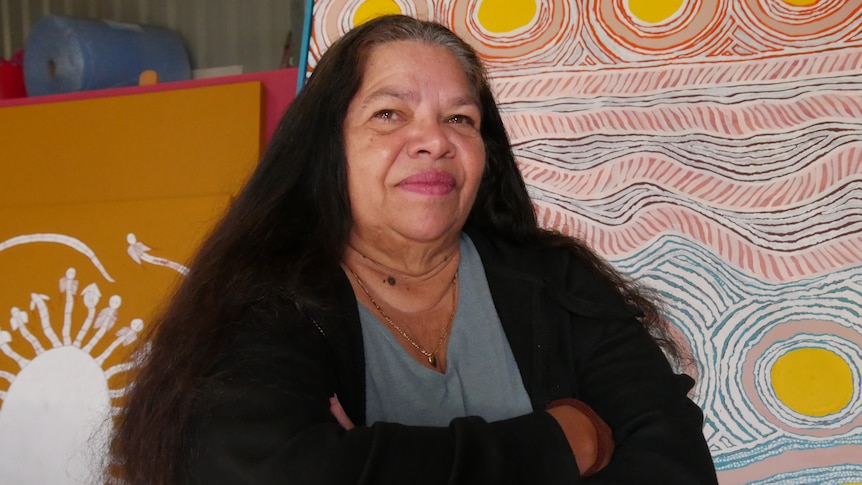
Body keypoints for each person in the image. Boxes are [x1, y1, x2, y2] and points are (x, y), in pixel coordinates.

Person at [109, 15, 718, 484]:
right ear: (329, 149)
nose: (432, 140)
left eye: (460, 119)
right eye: (389, 114)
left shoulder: (554, 281)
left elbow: (678, 464)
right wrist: (564, 444)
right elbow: (275, 475)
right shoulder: (267, 300)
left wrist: (373, 458)